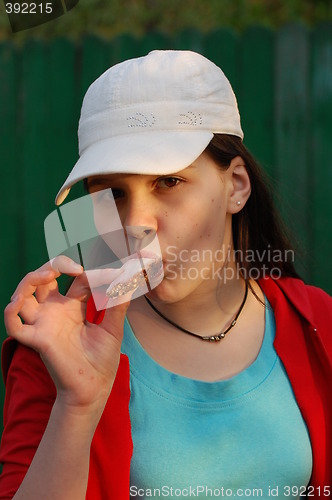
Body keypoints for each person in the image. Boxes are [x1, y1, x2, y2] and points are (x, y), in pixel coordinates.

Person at [0, 50, 331, 500]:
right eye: (114, 193)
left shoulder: (319, 323)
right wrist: (76, 406)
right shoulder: (60, 346)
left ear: (235, 186)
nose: (138, 222)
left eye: (168, 182)